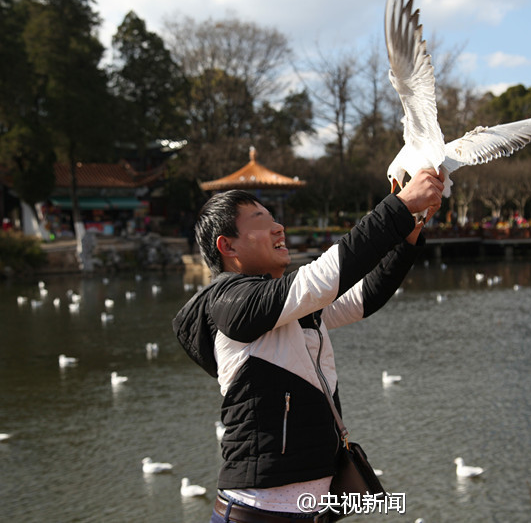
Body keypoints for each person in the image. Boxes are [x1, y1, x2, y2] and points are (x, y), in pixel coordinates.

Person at [172, 169, 443, 523]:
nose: (278, 228)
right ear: (228, 246)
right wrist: (399, 206)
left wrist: (409, 236)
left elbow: (363, 298)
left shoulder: (284, 307)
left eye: (274, 218)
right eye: (260, 221)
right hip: (255, 513)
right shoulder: (229, 302)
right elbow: (321, 279)